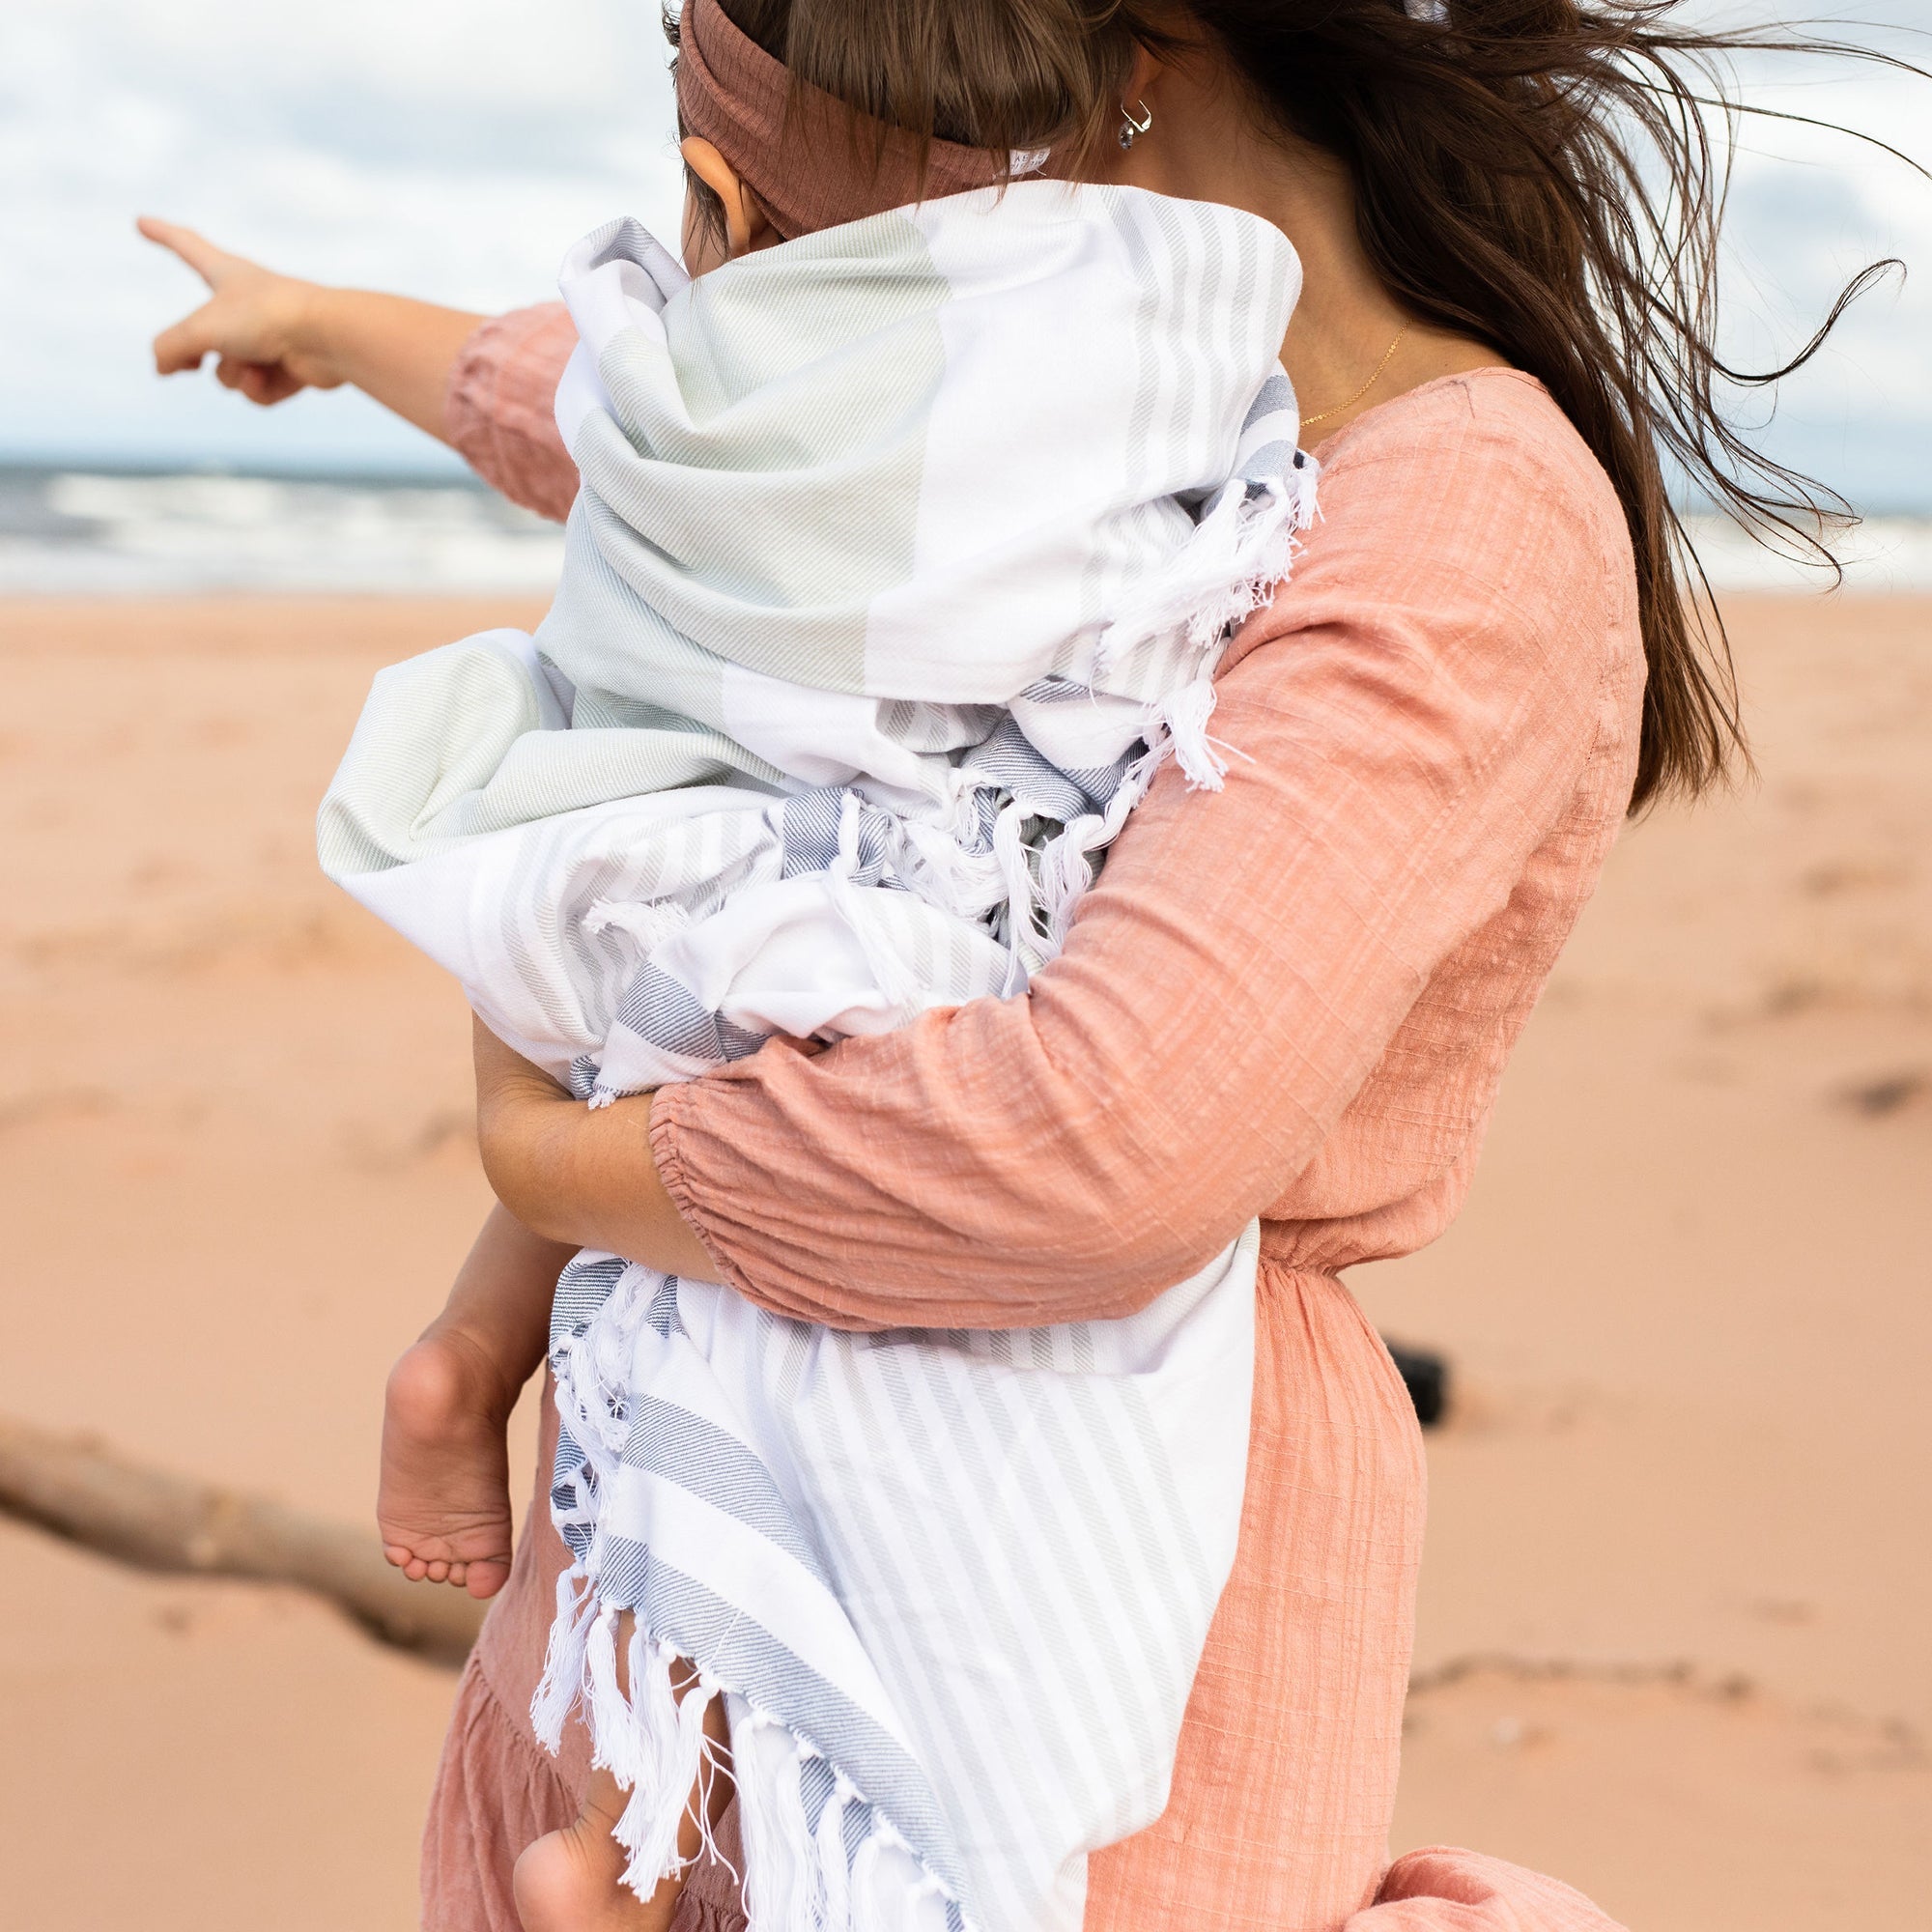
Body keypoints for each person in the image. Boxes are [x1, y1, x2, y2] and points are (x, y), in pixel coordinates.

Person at [141, 0, 1879, 1925]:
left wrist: (544, 1164)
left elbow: (1094, 1149)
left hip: (1077, 1515)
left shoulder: (1450, 502)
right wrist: (324, 319)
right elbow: (677, 446)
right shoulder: (1059, 386)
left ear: (1137, 42)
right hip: (671, 1525)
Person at [315, 1, 1325, 1926]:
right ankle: (661, 1852)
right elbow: (1189, 535)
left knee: (644, 1037)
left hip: (635, 876)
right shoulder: (1110, 323)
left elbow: (573, 436)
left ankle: (466, 1351)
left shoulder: (676, 389)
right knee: (887, 1446)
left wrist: (320, 315)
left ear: (711, 180)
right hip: (866, 919)